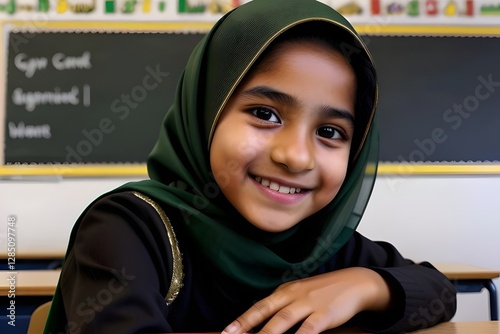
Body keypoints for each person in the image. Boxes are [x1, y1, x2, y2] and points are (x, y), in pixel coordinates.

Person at [44, 0, 457, 333]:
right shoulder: (129, 228)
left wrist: (367, 286)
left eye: (330, 132)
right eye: (265, 113)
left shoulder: (321, 245)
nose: (295, 156)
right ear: (205, 112)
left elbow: (439, 292)